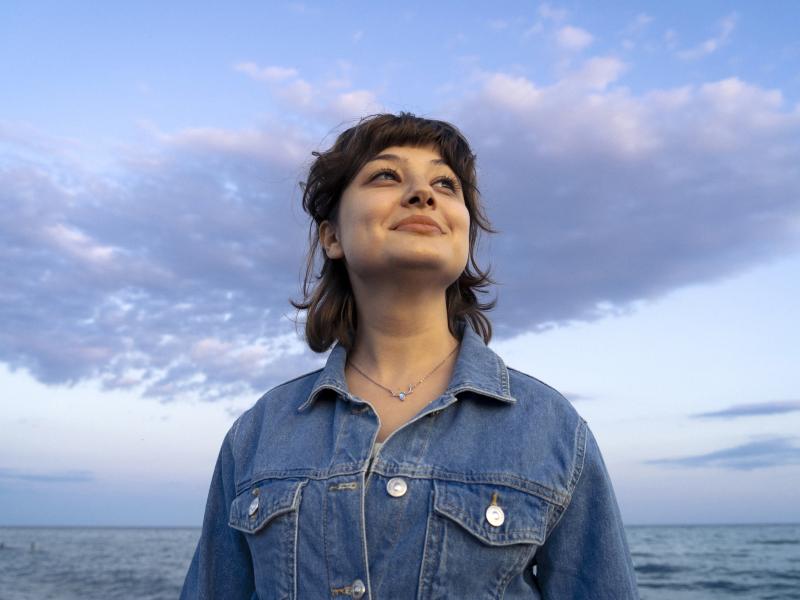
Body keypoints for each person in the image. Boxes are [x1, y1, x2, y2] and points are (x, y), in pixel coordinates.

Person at [180, 112, 640, 599]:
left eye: (446, 183)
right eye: (386, 175)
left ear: (464, 233)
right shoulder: (258, 433)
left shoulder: (552, 430)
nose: (425, 194)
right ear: (331, 237)